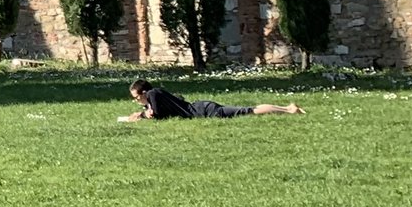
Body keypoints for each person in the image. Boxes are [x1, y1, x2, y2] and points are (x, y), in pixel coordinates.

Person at [119, 77, 302, 122]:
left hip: (206, 111)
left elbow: (158, 115)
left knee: (248, 110)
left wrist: (142, 116)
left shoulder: (153, 94)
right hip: (202, 107)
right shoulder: (155, 95)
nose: (136, 101)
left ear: (144, 92)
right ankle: (287, 108)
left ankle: (288, 109)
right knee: (246, 109)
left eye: (136, 97)